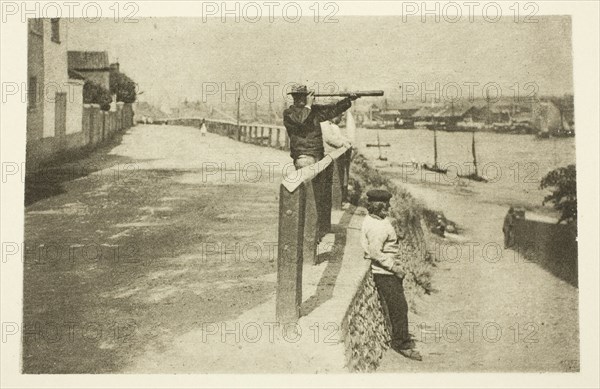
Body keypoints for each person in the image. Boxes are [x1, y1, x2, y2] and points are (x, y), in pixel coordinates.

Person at [360, 189, 422, 361]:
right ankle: (402, 344)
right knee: (399, 308)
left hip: (387, 272)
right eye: (385, 206)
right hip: (385, 274)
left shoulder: (374, 220)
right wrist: (395, 268)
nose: (388, 208)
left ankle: (401, 339)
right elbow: (375, 252)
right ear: (379, 207)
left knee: (399, 307)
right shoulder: (378, 227)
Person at [283, 84, 358, 169]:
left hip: (318, 155)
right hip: (303, 157)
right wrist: (308, 105)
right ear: (293, 97)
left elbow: (333, 109)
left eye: (302, 96)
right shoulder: (289, 113)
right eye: (297, 96)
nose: (300, 99)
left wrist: (348, 100)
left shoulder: (314, 111)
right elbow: (301, 120)